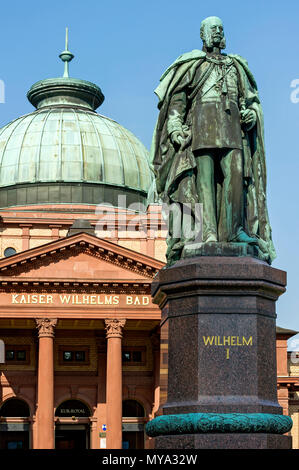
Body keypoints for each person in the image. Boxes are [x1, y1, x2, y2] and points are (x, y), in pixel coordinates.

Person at [150, 16, 276, 265]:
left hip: (233, 132)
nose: (217, 33)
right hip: (201, 130)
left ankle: (235, 230)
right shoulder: (193, 65)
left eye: (220, 29)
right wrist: (175, 127)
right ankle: (207, 233)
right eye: (212, 29)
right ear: (202, 35)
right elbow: (177, 102)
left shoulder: (236, 66)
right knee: (204, 185)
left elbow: (249, 101)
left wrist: (251, 114)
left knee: (237, 178)